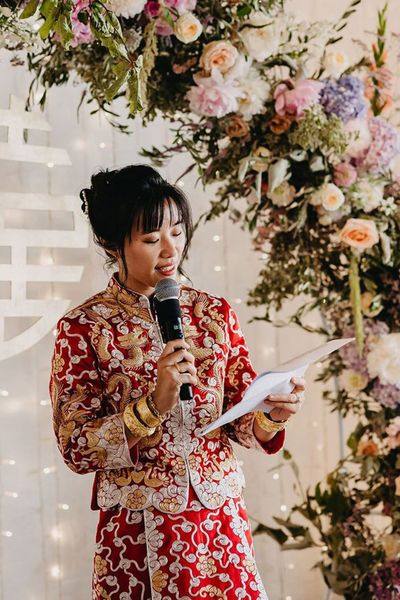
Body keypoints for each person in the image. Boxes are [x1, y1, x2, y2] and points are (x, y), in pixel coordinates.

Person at [49, 164, 306, 600]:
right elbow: (76, 445)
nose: (170, 249)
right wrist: (151, 407)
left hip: (219, 528)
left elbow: (238, 417)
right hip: (138, 533)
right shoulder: (83, 327)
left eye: (178, 232)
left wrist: (271, 416)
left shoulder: (214, 313)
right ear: (114, 244)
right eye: (151, 239)